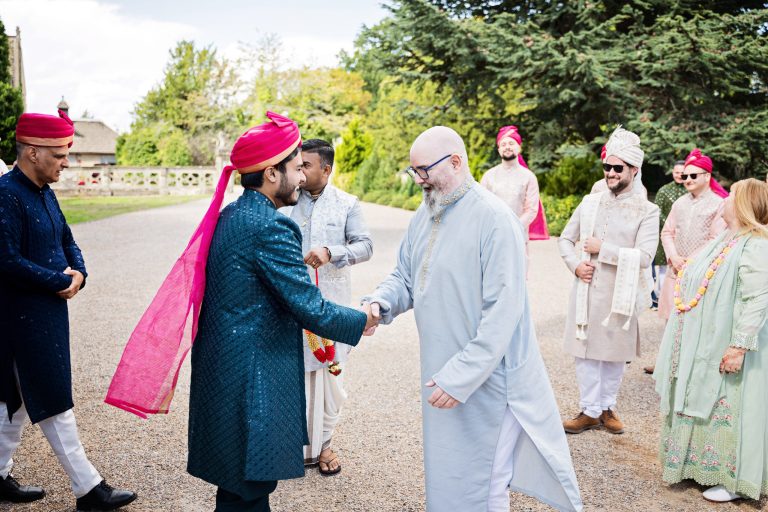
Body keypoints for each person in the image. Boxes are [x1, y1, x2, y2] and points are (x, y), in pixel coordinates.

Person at [362, 126, 582, 512]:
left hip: (488, 381)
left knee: (483, 483)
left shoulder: (495, 219)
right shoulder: (426, 213)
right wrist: (380, 303)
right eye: (414, 171)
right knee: (449, 477)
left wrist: (461, 375)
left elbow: (504, 312)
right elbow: (406, 275)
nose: (419, 180)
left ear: (456, 162)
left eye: (424, 170)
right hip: (440, 372)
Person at [0, 110, 136, 510]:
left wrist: (80, 272)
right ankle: (88, 488)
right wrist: (59, 280)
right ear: (31, 152)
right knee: (53, 400)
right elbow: (5, 259)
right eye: (59, 155)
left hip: (45, 315)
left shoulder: (45, 191)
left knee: (13, 400)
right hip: (19, 319)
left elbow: (68, 240)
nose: (66, 162)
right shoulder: (6, 195)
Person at [654, 178, 768, 503]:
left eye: (731, 194)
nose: (725, 198)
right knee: (703, 397)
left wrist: (739, 346)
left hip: (731, 345)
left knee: (731, 403)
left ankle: (732, 478)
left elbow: (757, 299)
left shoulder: (757, 243)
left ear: (745, 203)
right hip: (707, 340)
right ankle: (699, 465)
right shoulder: (729, 238)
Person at [280, 138, 373, 474]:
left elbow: (366, 246)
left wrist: (331, 252)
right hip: (292, 306)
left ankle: (326, 446)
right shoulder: (286, 202)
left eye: (307, 165)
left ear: (327, 169)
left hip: (330, 308)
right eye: (298, 165)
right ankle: (293, 446)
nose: (300, 171)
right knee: (296, 377)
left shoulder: (347, 203)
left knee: (330, 379)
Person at [558, 127, 659, 435]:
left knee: (614, 353)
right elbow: (564, 239)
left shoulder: (648, 209)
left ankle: (606, 407)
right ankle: (588, 410)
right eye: (607, 167)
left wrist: (604, 251)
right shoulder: (590, 202)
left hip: (620, 293)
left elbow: (645, 256)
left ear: (634, 170)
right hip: (587, 289)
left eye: (618, 168)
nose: (611, 173)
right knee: (584, 349)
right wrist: (576, 266)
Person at [649, 149, 728, 373]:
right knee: (671, 321)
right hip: (676, 269)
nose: (688, 180)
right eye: (685, 176)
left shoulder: (718, 203)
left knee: (697, 323)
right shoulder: (679, 203)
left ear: (707, 176)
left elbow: (716, 239)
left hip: (702, 273)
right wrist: (674, 257)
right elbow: (667, 233)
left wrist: (690, 262)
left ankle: (693, 370)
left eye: (694, 175)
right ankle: (668, 366)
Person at [480, 125, 549, 240]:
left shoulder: (529, 177)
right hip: (492, 235)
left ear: (519, 147)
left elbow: (531, 210)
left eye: (511, 144)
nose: (507, 147)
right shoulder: (489, 176)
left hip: (518, 235)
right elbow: (482, 206)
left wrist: (513, 227)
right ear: (499, 150)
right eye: (503, 144)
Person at [651, 161, 687, 309]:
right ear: (672, 172)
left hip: (685, 236)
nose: (679, 175)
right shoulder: (664, 191)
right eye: (677, 172)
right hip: (665, 234)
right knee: (665, 267)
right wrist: (671, 226)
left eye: (682, 172)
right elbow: (657, 211)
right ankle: (660, 299)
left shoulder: (690, 190)